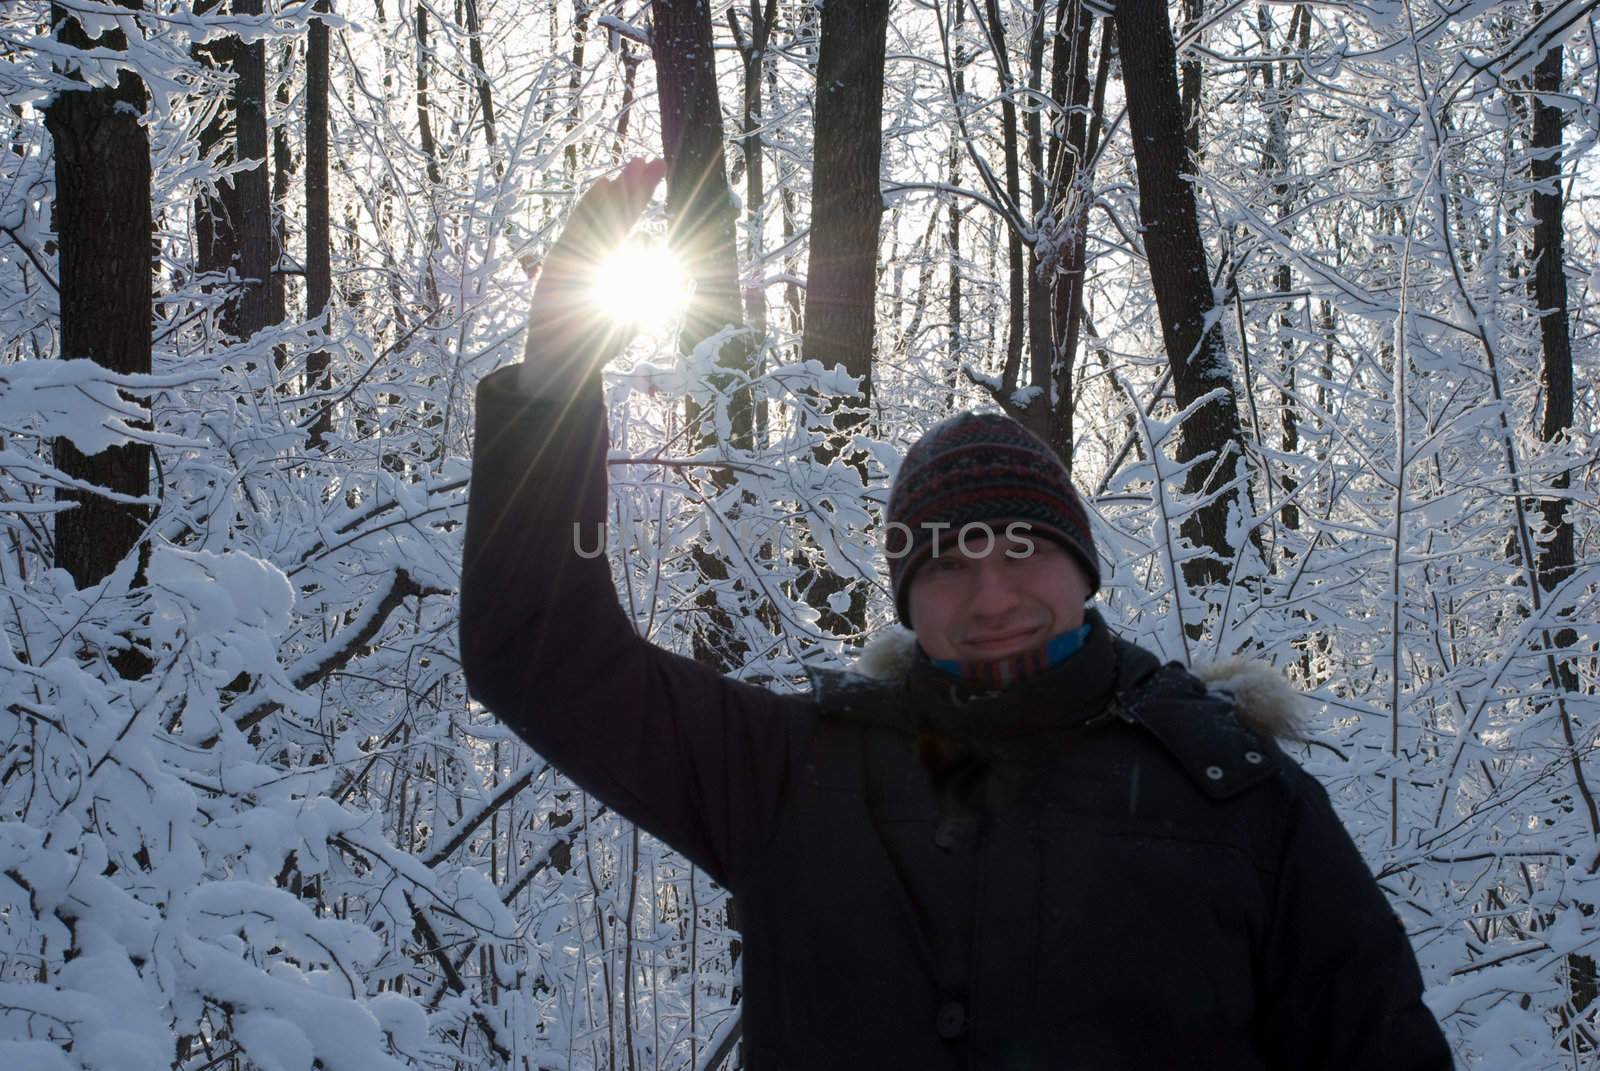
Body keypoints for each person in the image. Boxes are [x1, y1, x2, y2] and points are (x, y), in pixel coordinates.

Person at [460, 160, 1454, 1069]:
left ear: (1081, 568)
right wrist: (550, 387)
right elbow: (541, 656)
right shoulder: (793, 772)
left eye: (1022, 549)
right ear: (903, 596)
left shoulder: (1236, 794)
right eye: (946, 564)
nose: (991, 597)